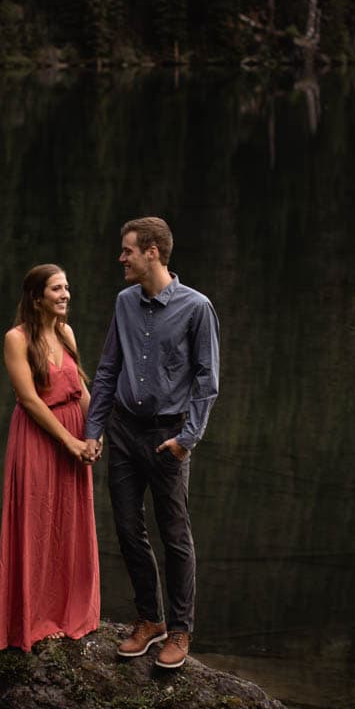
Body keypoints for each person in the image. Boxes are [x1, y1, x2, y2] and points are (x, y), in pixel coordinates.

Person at [85, 216, 219, 670]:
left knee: (175, 534)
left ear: (152, 252)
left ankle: (180, 631)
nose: (121, 258)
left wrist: (188, 439)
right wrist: (94, 430)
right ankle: (150, 621)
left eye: (127, 250)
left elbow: (207, 380)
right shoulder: (124, 302)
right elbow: (107, 370)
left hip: (168, 437)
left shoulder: (197, 307)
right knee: (126, 529)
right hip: (122, 431)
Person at [0, 263, 101, 651]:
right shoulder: (16, 339)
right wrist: (68, 443)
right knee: (38, 523)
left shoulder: (66, 332)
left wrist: (92, 433)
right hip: (39, 440)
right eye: (57, 289)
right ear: (37, 298)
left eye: (67, 288)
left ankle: (71, 611)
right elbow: (29, 400)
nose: (66, 295)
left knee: (69, 522)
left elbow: (80, 390)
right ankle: (35, 619)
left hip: (74, 436)